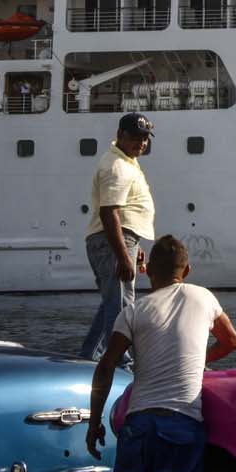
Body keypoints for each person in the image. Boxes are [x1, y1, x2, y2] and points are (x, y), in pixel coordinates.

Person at [85, 236, 236, 472]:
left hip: (138, 424)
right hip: (182, 423)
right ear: (187, 270)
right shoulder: (203, 297)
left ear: (148, 272)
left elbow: (106, 366)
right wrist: (200, 361)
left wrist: (94, 423)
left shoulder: (133, 311)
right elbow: (231, 341)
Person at [79, 113, 156, 369]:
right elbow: (109, 211)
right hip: (113, 241)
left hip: (120, 239)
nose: (141, 143)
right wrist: (123, 254)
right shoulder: (117, 167)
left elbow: (122, 214)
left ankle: (89, 358)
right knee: (123, 305)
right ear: (120, 135)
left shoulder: (126, 161)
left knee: (112, 303)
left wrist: (133, 246)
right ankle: (122, 361)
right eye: (136, 137)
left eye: (144, 138)